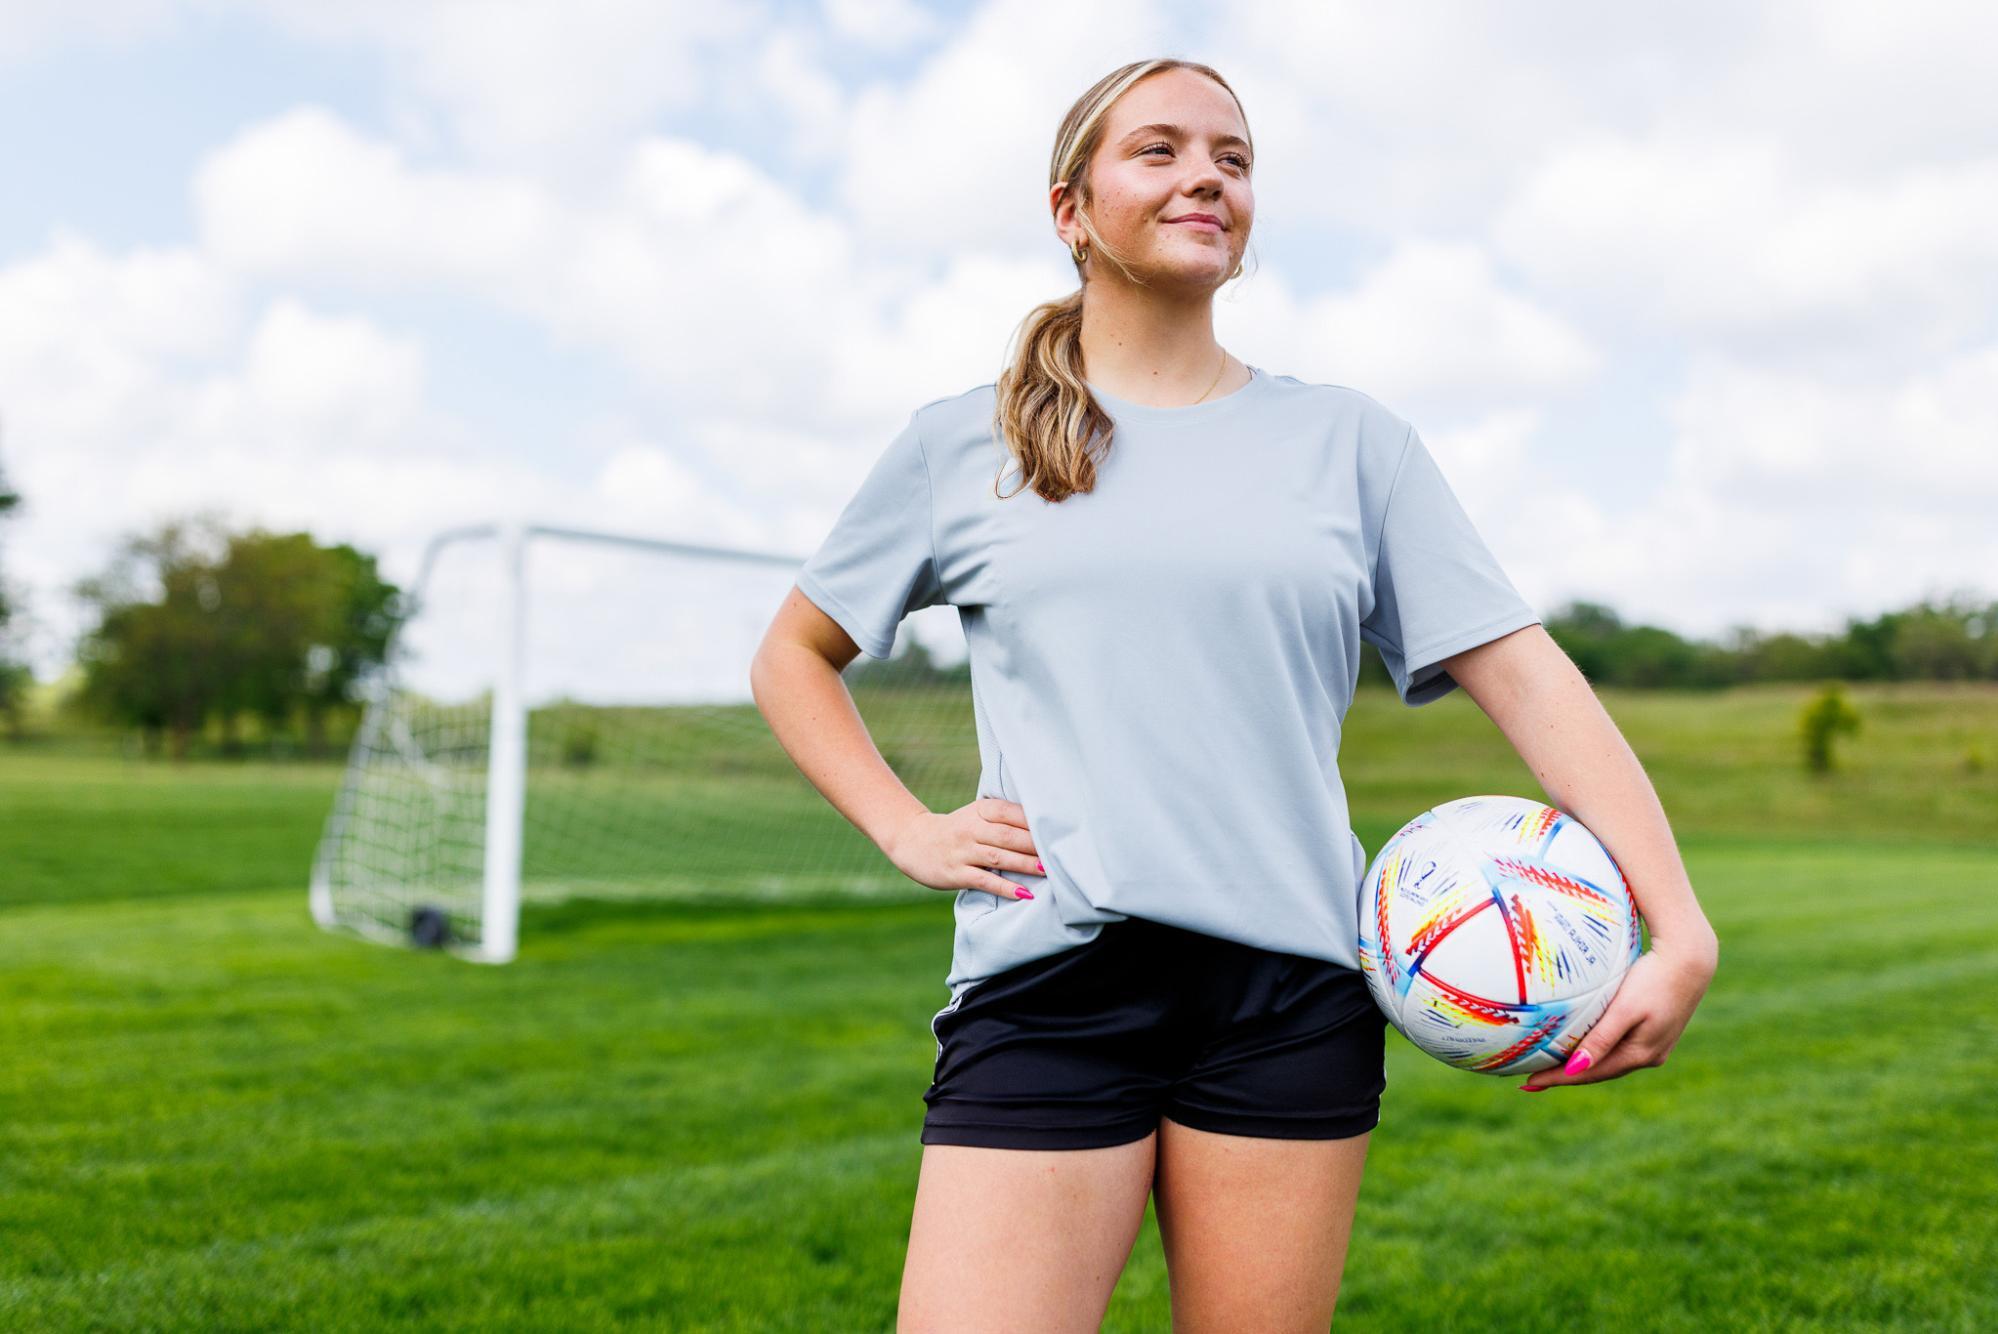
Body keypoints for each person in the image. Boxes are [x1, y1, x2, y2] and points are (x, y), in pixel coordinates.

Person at [750, 57, 1719, 1333]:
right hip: (1048, 985)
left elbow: (1531, 681)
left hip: (1288, 996)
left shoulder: (1352, 444)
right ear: (1070, 209)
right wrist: (905, 825)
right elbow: (793, 653)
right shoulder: (962, 444)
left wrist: (1678, 924)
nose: (1205, 175)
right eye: (1158, 149)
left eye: (1234, 158)